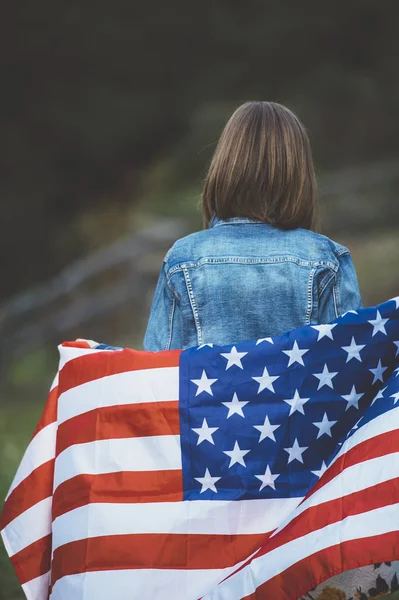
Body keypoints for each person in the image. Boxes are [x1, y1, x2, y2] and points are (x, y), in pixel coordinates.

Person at [143, 101, 362, 352]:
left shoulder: (182, 260)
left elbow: (157, 372)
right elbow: (350, 370)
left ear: (224, 166)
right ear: (300, 176)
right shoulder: (327, 260)